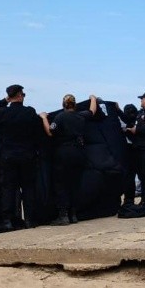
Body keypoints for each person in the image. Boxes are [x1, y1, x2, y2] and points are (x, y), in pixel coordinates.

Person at [0, 85, 44, 231]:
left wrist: (5, 100)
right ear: (19, 96)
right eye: (23, 94)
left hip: (8, 156)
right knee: (29, 188)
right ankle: (30, 219)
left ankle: (7, 220)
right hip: (27, 156)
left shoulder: (4, 113)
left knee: (8, 189)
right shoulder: (30, 112)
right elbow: (38, 131)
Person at [40, 94, 98, 225]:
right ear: (75, 104)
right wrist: (93, 99)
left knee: (61, 184)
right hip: (79, 152)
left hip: (64, 152)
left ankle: (63, 215)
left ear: (63, 104)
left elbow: (50, 132)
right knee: (75, 184)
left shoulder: (60, 117)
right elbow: (92, 111)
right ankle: (73, 214)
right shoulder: (81, 116)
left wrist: (44, 118)